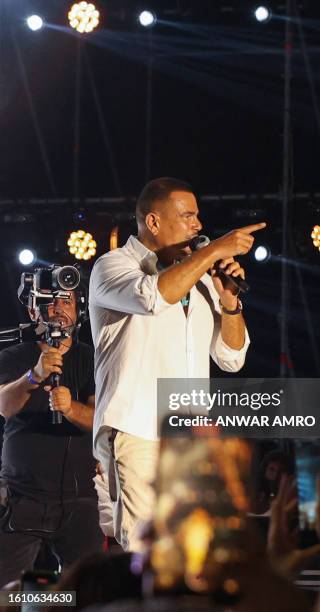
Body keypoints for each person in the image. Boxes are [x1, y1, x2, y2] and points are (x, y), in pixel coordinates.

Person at [89, 176, 265, 552]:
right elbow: (153, 297)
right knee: (147, 548)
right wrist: (213, 251)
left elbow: (231, 358)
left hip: (191, 440)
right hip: (138, 432)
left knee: (192, 549)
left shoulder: (200, 280)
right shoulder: (113, 266)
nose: (197, 226)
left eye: (198, 217)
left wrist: (230, 301)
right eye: (187, 216)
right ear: (153, 222)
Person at [0, 285, 103, 588]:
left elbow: (101, 420)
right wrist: (34, 375)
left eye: (66, 300)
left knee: (86, 593)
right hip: (21, 496)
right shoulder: (13, 355)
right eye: (49, 302)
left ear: (78, 308)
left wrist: (71, 408)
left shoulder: (94, 358)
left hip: (81, 500)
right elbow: (3, 407)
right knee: (6, 594)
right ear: (33, 311)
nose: (58, 308)